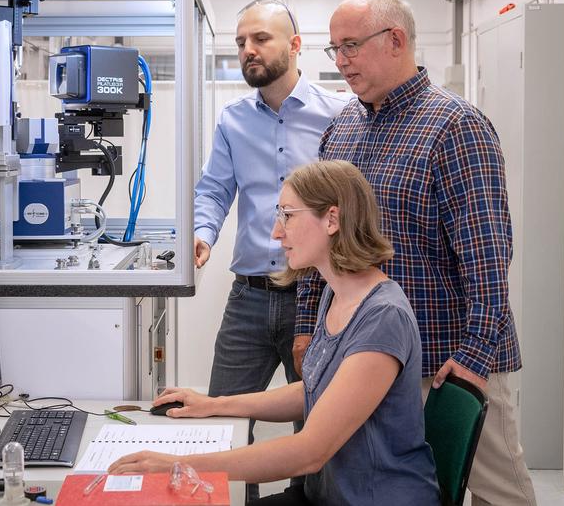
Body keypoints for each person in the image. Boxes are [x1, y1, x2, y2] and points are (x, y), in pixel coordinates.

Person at [294, 0, 537, 505]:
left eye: (351, 46)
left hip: (449, 363)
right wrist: (304, 328)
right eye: (334, 48)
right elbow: (319, 242)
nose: (340, 61)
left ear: (396, 40)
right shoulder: (341, 130)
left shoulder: (455, 127)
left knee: (498, 492)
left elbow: (489, 259)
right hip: (366, 363)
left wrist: (472, 359)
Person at [110, 161, 440, 506]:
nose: (276, 232)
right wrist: (214, 404)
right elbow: (312, 391)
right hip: (325, 495)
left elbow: (309, 452)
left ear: (331, 219)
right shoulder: (338, 294)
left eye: (287, 216)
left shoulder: (382, 316)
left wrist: (176, 466)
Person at [193, 0, 350, 501]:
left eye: (260, 39)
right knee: (220, 414)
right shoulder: (233, 119)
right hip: (250, 298)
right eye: (241, 42)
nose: (248, 50)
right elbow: (215, 189)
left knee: (318, 420)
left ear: (295, 45)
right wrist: (203, 232)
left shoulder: (340, 115)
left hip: (319, 296)